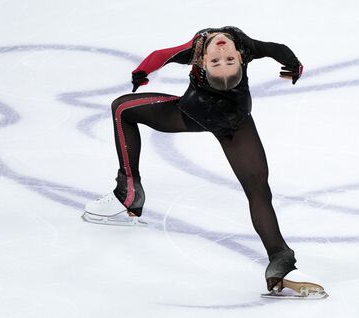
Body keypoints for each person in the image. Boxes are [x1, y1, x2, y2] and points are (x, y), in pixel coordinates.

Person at [83, 26, 326, 298]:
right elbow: (276, 49)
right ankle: (280, 261)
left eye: (223, 60)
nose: (222, 52)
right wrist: (294, 65)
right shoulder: (244, 45)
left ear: (202, 62)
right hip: (234, 122)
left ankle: (127, 192)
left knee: (123, 107)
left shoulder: (197, 49)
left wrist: (142, 73)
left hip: (197, 116)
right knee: (258, 191)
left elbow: (161, 55)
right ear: (241, 58)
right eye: (221, 60)